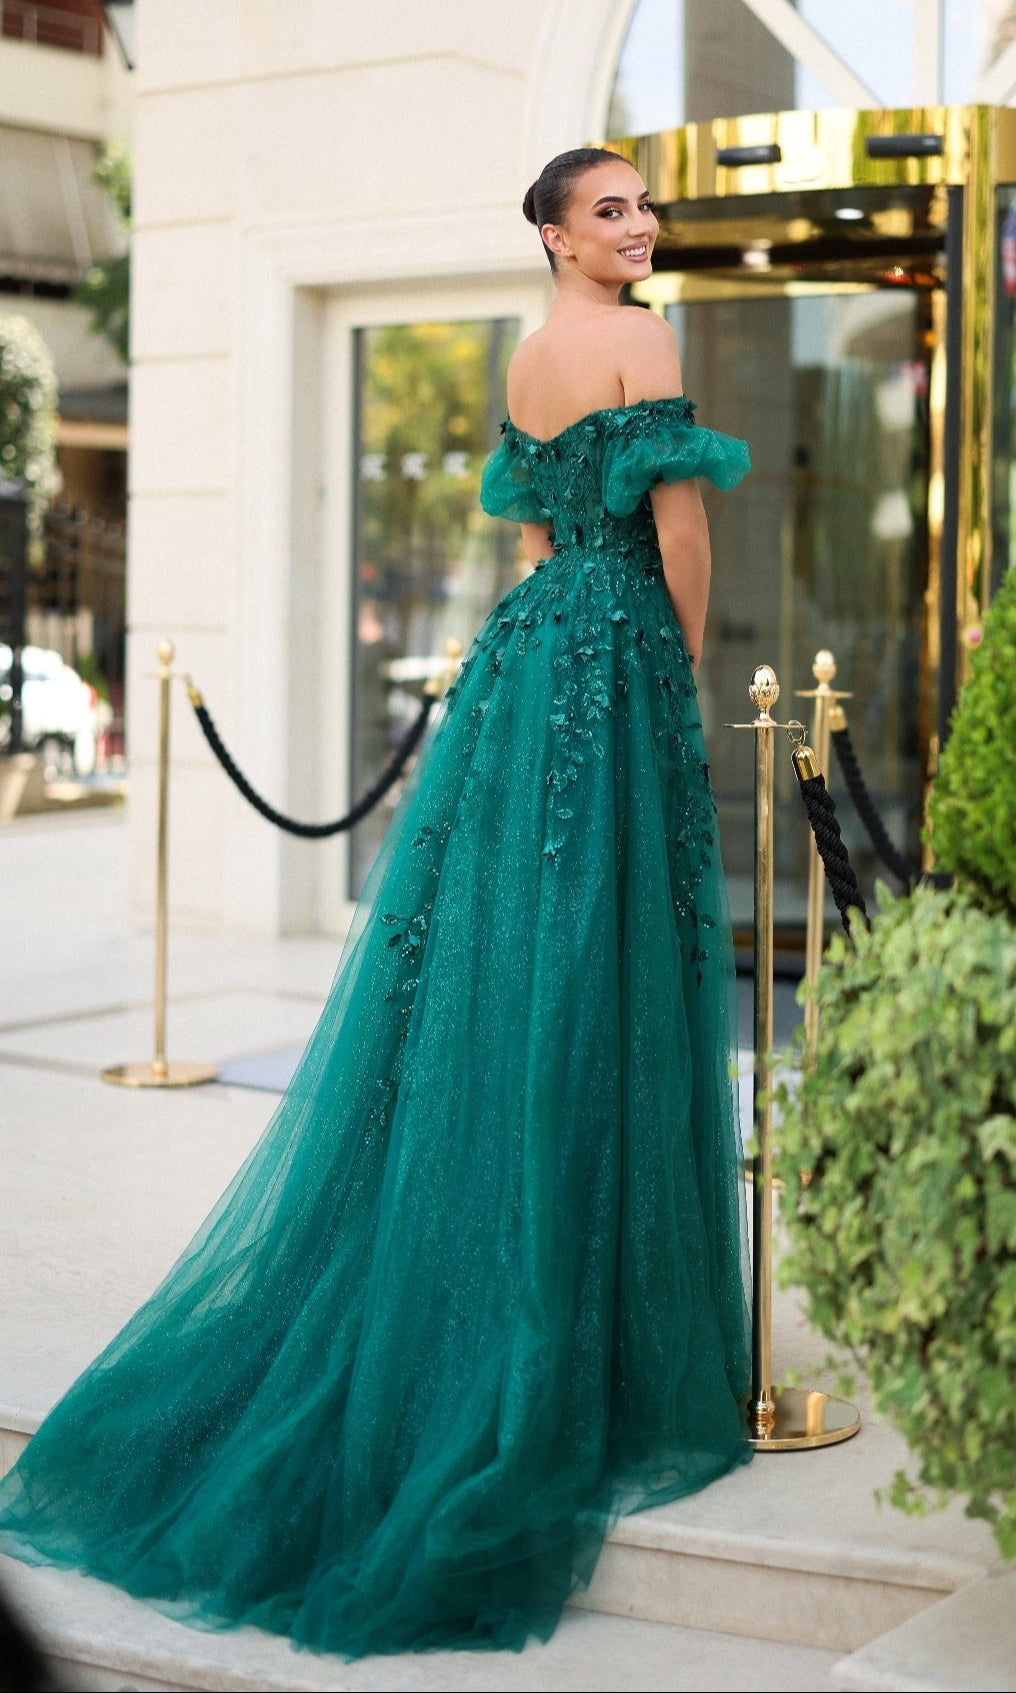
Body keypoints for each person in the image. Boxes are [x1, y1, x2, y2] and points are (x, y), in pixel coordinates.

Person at [0, 147, 752, 1659]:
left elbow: (532, 541)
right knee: (604, 976)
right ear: (555, 231)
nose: (642, 225)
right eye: (613, 209)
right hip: (609, 666)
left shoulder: (533, 357)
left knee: (521, 976)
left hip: (528, 665)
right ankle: (586, 1339)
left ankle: (510, 1284)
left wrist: (576, 658)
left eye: (644, 207)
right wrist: (678, 683)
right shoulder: (643, 338)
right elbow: (678, 538)